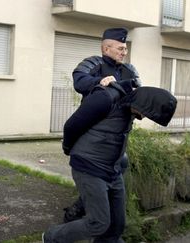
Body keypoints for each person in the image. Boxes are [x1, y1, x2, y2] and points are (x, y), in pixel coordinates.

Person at [43, 84, 177, 243]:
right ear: (143, 103)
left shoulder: (130, 109)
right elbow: (71, 126)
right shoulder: (106, 99)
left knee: (117, 225)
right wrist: (68, 149)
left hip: (112, 169)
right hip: (88, 168)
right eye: (147, 113)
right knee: (98, 223)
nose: (144, 116)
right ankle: (51, 237)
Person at [63, 27, 142, 223]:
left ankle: (96, 211)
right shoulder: (93, 63)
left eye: (125, 48)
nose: (124, 52)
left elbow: (140, 93)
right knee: (92, 173)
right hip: (92, 129)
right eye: (120, 48)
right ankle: (82, 210)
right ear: (106, 48)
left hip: (117, 133)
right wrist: (100, 81)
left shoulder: (129, 70)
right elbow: (79, 81)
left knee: (119, 164)